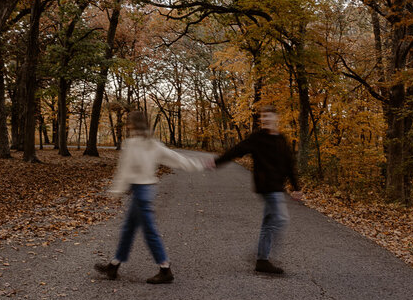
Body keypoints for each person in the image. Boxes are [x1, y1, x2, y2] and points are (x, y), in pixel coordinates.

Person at [94, 110, 207, 284]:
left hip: (140, 192)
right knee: (128, 229)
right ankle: (114, 265)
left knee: (149, 231)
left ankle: (165, 268)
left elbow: (124, 171)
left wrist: (116, 191)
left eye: (128, 123)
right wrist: (198, 164)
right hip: (147, 190)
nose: (128, 126)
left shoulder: (131, 144)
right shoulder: (153, 144)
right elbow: (175, 158)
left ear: (132, 124)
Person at [212, 105, 303, 275]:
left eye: (269, 117)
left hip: (277, 186)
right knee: (281, 219)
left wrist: (296, 187)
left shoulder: (281, 139)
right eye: (263, 117)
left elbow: (290, 165)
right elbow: (238, 150)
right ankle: (258, 254)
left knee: (269, 224)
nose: (265, 120)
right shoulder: (258, 138)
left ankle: (262, 260)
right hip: (266, 186)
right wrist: (218, 161)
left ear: (276, 118)